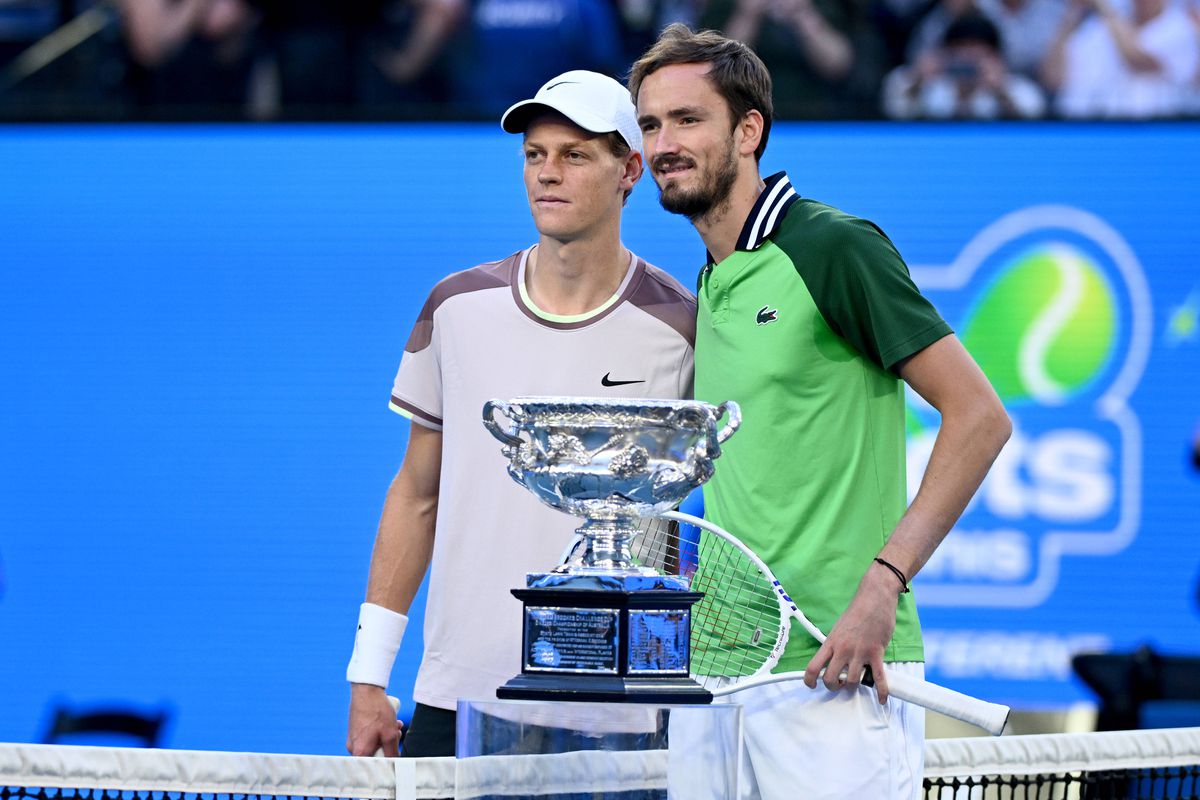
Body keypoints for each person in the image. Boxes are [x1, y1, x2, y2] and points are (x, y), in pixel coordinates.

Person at [630, 25, 1011, 799]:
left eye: (687, 119)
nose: (664, 143)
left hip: (835, 664)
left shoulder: (834, 247)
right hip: (717, 673)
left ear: (748, 130)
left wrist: (883, 586)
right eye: (650, 124)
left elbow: (979, 416)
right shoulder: (708, 282)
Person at [344, 69, 697, 758]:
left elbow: (689, 525)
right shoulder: (455, 308)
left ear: (629, 171)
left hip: (617, 706)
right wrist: (368, 675)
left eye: (574, 155)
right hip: (459, 696)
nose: (547, 174)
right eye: (535, 155)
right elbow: (417, 494)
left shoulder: (681, 324)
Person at [881, 10, 1046, 119]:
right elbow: (894, 111)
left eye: (977, 51)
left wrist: (1000, 92)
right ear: (947, 51)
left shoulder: (1017, 88)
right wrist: (918, 81)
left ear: (995, 56)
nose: (968, 57)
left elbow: (1034, 118)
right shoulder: (929, 84)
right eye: (961, 48)